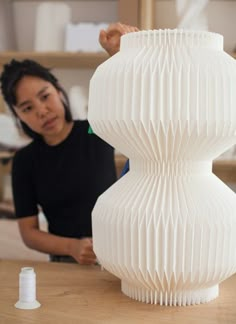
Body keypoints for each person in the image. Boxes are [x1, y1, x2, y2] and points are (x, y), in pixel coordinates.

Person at [0, 22, 138, 264]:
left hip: (121, 250)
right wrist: (72, 247)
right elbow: (29, 232)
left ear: (59, 91)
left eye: (45, 96)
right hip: (67, 261)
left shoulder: (95, 128)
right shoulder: (24, 162)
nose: (42, 111)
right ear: (18, 116)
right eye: (27, 108)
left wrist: (119, 57)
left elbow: (126, 102)